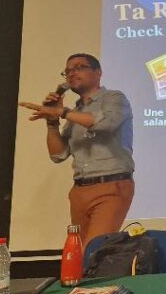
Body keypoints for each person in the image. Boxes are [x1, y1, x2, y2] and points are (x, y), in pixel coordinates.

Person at [19, 53, 135, 247]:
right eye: (68, 71)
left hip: (111, 186)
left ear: (98, 72)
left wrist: (63, 112)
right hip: (79, 190)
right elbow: (58, 154)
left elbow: (106, 123)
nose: (72, 73)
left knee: (94, 248)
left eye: (79, 67)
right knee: (78, 251)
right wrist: (52, 122)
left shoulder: (114, 98)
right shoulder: (76, 112)